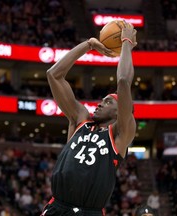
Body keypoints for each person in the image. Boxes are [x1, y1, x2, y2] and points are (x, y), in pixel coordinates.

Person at [41, 21, 137, 216]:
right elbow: (54, 75)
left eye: (108, 101)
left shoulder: (119, 133)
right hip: (56, 208)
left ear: (120, 111)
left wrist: (126, 42)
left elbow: (123, 81)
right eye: (102, 100)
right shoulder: (80, 120)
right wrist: (89, 44)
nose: (100, 103)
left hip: (88, 212)